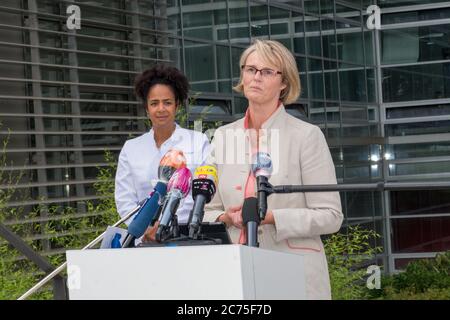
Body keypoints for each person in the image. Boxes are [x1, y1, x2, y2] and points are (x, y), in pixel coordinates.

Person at [204, 40, 343, 299]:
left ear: (284, 83)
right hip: (235, 275)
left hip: (294, 274)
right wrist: (226, 217)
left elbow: (331, 216)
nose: (256, 77)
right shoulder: (223, 136)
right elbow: (206, 211)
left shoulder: (306, 136)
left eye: (267, 72)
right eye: (250, 69)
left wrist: (271, 218)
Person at [115, 64, 210, 242]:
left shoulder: (199, 142)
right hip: (144, 241)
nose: (161, 109)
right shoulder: (131, 148)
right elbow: (124, 200)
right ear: (146, 108)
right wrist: (144, 231)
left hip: (185, 238)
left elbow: (202, 195)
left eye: (167, 102)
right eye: (154, 103)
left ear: (177, 105)